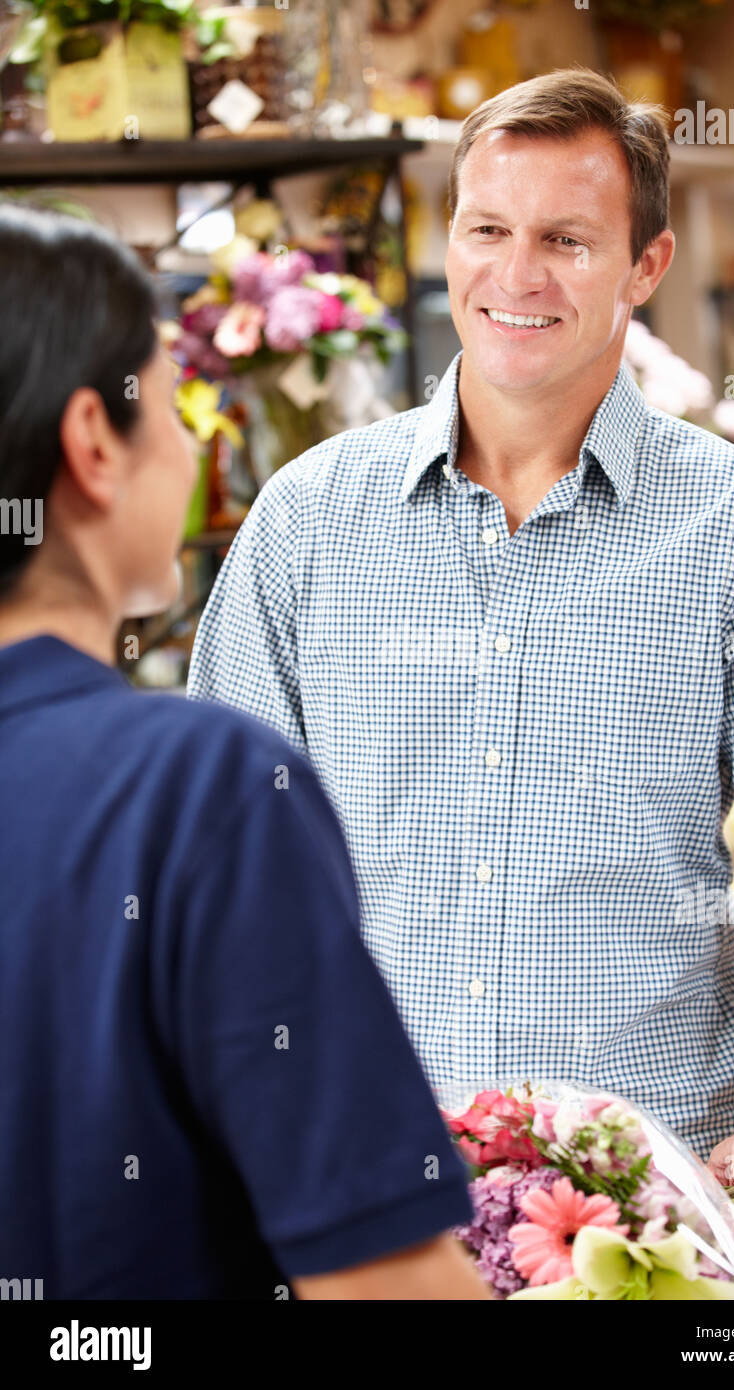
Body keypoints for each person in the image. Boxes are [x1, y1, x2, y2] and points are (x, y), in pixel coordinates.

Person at [188, 65, 734, 1221]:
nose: (515, 275)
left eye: (565, 238)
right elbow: (220, 857)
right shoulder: (307, 519)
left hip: (653, 1191)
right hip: (365, 1186)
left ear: (644, 267)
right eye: (487, 228)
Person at [0, 203, 490, 1301]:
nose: (193, 440)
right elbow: (384, 1283)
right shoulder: (195, 789)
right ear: (92, 443)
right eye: (172, 400)